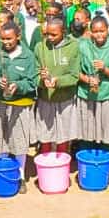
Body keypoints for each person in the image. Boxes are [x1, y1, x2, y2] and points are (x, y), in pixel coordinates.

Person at [0, 21, 38, 194]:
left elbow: (32, 81)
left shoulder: (28, 56)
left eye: (10, 39)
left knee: (19, 141)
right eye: (3, 39)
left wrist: (18, 86)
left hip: (20, 105)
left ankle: (19, 176)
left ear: (18, 37)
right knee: (1, 139)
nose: (6, 42)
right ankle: (1, 172)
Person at [77, 16, 109, 158]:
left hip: (108, 96)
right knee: (86, 132)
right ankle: (87, 162)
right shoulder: (82, 46)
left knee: (107, 133)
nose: (99, 35)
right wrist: (87, 79)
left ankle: (106, 166)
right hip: (87, 96)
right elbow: (74, 70)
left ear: (108, 30)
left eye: (102, 31)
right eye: (95, 31)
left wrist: (105, 69)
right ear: (90, 32)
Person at [34, 17, 80, 154]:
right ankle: (46, 162)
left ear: (64, 32)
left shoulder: (73, 47)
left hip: (65, 99)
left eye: (54, 34)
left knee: (63, 136)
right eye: (47, 34)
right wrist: (42, 81)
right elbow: (34, 75)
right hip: (45, 99)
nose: (50, 37)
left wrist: (57, 81)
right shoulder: (40, 47)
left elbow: (74, 75)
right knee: (45, 135)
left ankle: (61, 164)